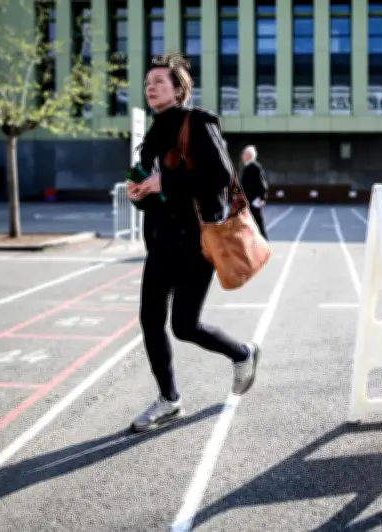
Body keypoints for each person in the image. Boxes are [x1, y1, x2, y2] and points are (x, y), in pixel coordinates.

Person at [126, 52, 261, 432]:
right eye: (148, 82)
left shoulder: (197, 122)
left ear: (178, 88)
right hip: (160, 242)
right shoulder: (151, 135)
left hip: (196, 244)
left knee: (184, 325)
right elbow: (156, 193)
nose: (151, 87)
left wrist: (164, 183)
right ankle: (169, 400)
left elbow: (219, 175)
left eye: (159, 82)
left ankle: (242, 352)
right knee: (150, 321)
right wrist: (141, 195)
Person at [239, 145, 269, 239]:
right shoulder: (247, 167)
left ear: (248, 155)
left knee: (257, 222)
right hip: (248, 200)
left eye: (243, 153)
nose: (242, 155)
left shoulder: (255, 167)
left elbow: (262, 184)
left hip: (253, 200)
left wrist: (262, 198)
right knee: (252, 223)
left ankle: (264, 241)